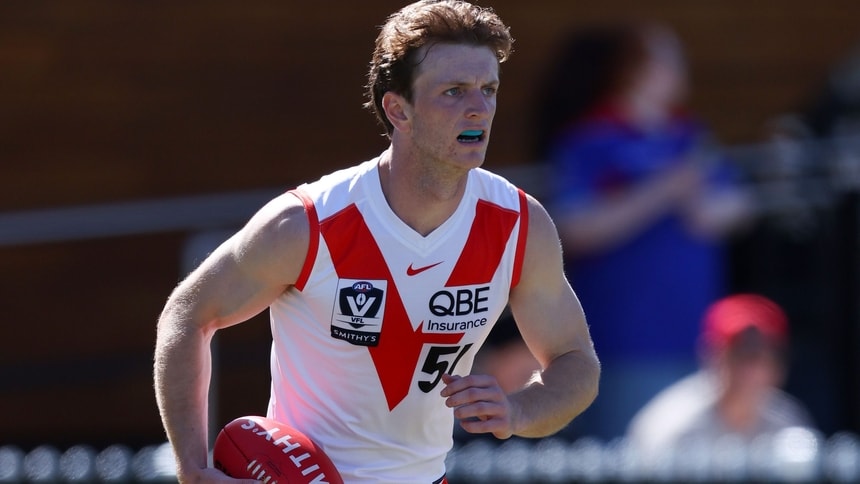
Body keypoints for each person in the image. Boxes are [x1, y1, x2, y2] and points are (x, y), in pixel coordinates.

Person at [153, 1, 601, 483]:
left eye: (488, 89)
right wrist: (193, 470)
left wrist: (519, 411)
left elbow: (576, 363)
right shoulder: (307, 223)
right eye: (454, 91)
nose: (479, 108)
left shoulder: (519, 224)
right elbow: (187, 314)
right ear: (398, 110)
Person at [534, 21, 753, 439]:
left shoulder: (689, 136)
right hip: (623, 342)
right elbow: (575, 228)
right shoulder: (590, 140)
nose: (679, 71)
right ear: (633, 68)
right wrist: (664, 190)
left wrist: (708, 206)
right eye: (666, 60)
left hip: (696, 339)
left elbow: (737, 205)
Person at [627, 293, 814, 455]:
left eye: (770, 355)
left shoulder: (789, 424)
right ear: (711, 355)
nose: (755, 369)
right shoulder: (672, 426)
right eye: (743, 353)